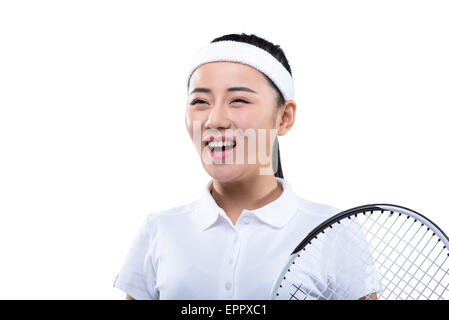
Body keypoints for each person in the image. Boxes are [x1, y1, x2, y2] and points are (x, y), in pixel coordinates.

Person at [112, 33, 378, 300]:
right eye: (200, 102)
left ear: (284, 117)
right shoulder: (160, 229)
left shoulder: (332, 231)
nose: (215, 119)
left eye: (239, 100)